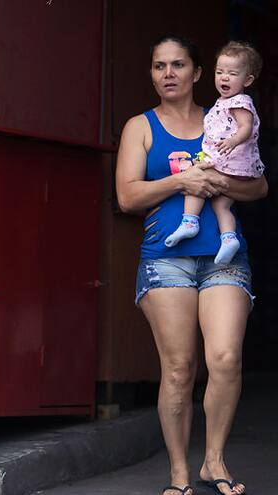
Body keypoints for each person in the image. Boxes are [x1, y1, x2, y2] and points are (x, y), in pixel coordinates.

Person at [115, 36, 267, 495]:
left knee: (226, 358)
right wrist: (183, 180)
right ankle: (179, 474)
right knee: (180, 368)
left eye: (178, 65)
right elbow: (127, 197)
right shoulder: (140, 127)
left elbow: (258, 187)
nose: (168, 73)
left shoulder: (224, 117)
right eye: (159, 66)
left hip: (224, 257)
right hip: (166, 260)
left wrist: (216, 181)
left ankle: (213, 461)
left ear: (198, 73)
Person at [163, 41, 265, 265]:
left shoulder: (239, 102)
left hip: (229, 161)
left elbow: (247, 127)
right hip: (231, 163)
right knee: (222, 205)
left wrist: (233, 140)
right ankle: (229, 238)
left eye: (232, 74)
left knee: (196, 178)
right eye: (220, 72)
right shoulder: (225, 102)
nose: (224, 78)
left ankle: (190, 221)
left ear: (248, 80)